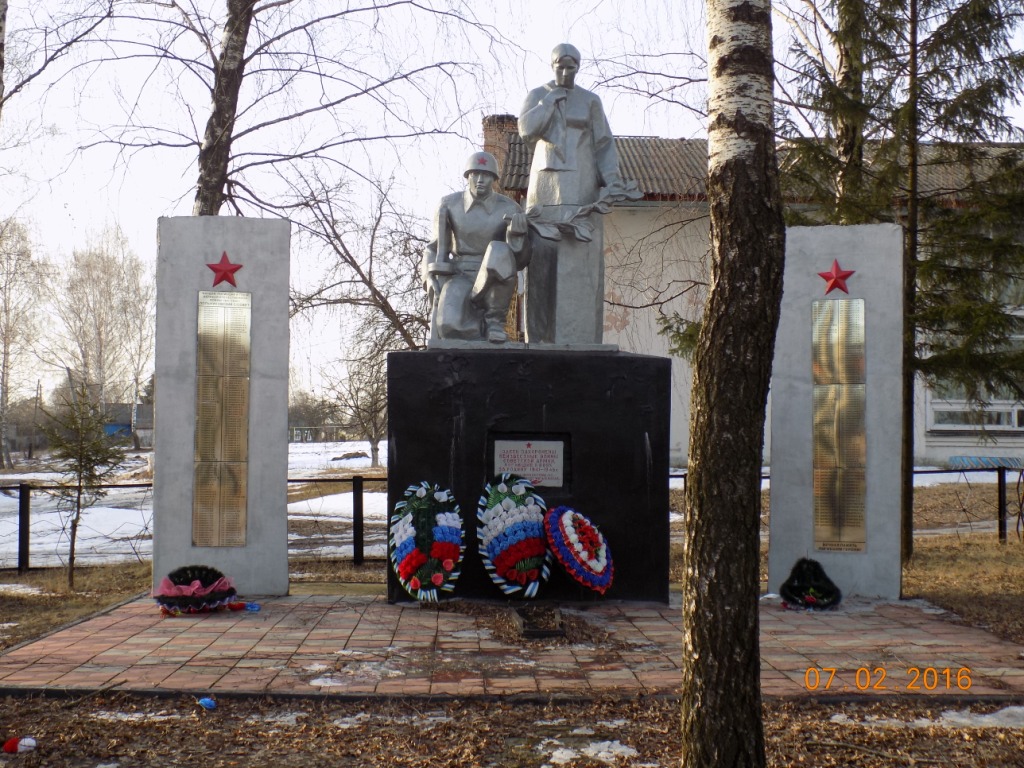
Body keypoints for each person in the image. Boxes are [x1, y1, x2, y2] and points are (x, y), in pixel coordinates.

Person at [519, 43, 637, 345]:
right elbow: (526, 131)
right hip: (544, 192)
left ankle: (580, 339)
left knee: (578, 265)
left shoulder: (589, 101)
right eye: (559, 65)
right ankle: (540, 341)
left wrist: (610, 180)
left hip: (582, 189)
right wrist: (548, 103)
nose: (564, 71)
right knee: (542, 264)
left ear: (577, 68)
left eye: (570, 66)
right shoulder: (537, 95)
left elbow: (604, 143)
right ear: (552, 65)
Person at [421, 151, 529, 343]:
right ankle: (474, 327)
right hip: (459, 274)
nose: (480, 180)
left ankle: (494, 322)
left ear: (494, 179)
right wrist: (429, 279)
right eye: (475, 174)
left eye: (486, 175)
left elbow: (520, 261)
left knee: (500, 249)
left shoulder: (510, 209)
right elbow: (433, 248)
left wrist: (517, 237)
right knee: (448, 327)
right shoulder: (449, 204)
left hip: (494, 275)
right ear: (467, 176)